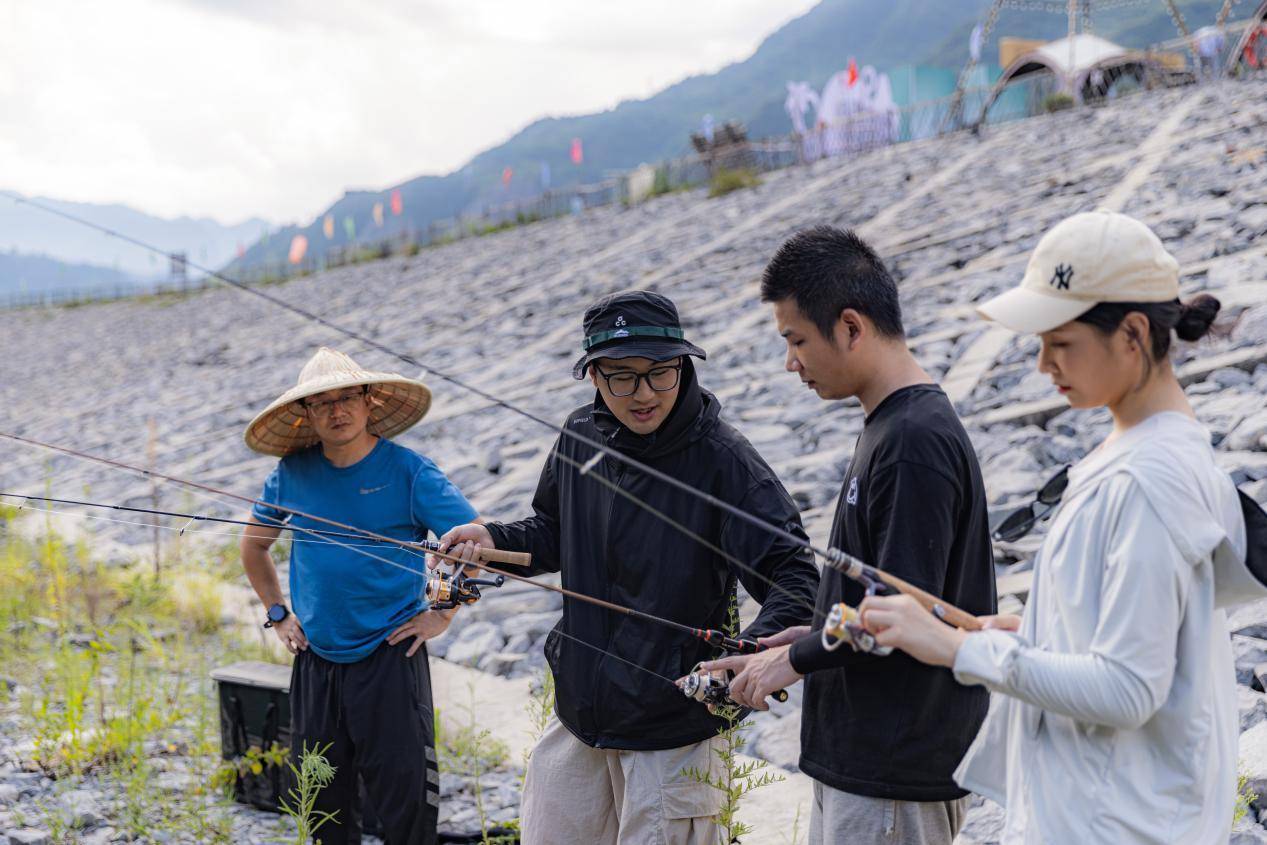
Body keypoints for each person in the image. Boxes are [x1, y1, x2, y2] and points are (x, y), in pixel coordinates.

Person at [859, 211, 1262, 844]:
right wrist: (1038, 633)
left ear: (1132, 333)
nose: (1044, 363)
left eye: (1060, 341)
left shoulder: (1146, 481)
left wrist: (960, 649)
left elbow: (1129, 688)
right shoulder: (1148, 452)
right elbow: (1135, 635)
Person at [438, 290, 821, 845]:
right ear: (594, 375)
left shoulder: (723, 459)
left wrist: (749, 654)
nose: (644, 394)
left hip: (674, 727)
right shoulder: (580, 436)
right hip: (582, 715)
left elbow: (794, 576)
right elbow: (553, 533)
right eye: (622, 376)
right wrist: (491, 538)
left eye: (659, 374)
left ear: (683, 367)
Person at [703, 226, 997, 845]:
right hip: (869, 766)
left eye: (797, 340)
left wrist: (795, 659)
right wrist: (809, 634)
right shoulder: (890, 427)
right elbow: (888, 596)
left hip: (893, 773)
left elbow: (899, 616)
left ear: (851, 327)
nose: (791, 362)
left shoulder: (914, 442)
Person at [240, 346, 480, 845]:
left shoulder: (410, 472)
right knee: (321, 797)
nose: (337, 410)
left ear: (370, 401)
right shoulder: (292, 473)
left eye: (347, 397)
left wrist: (441, 614)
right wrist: (279, 613)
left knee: (405, 798)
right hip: (315, 656)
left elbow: (468, 545)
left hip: (391, 654)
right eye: (322, 402)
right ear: (306, 413)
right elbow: (254, 546)